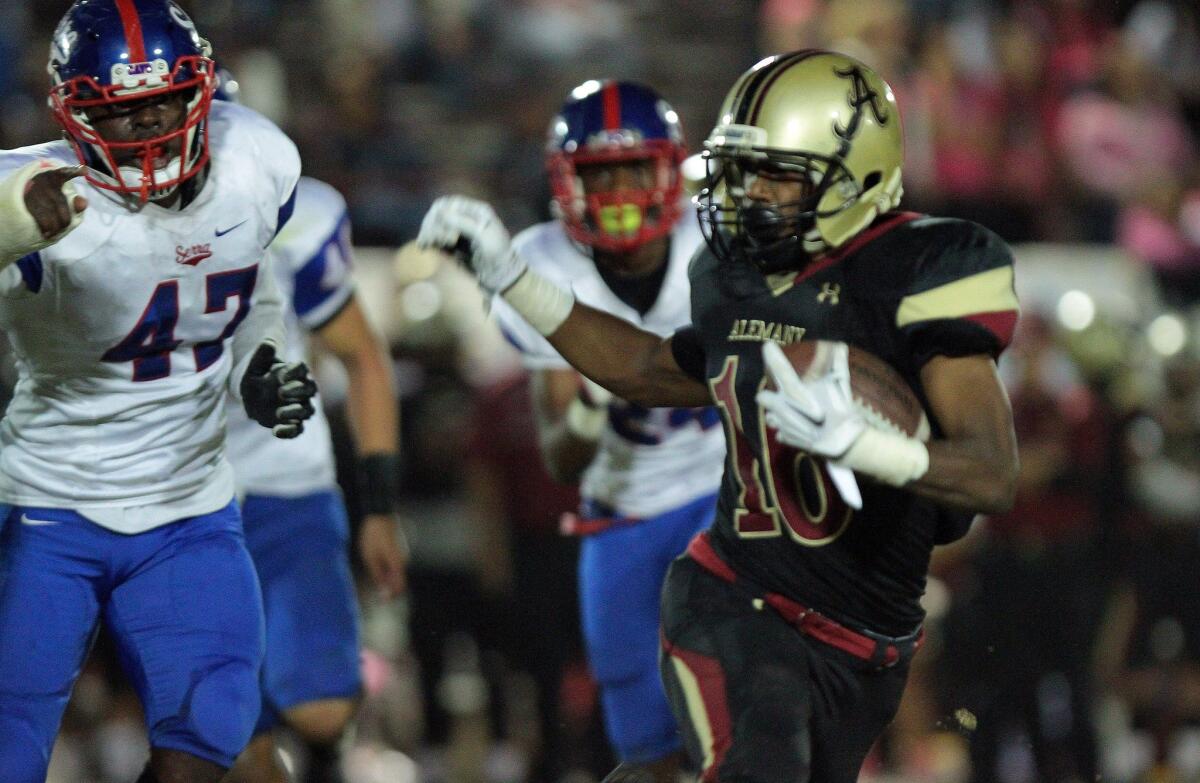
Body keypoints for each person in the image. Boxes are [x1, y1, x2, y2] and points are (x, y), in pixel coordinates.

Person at [418, 49, 1021, 783]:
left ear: (857, 174)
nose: (751, 194)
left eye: (778, 174)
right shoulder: (736, 276)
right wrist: (512, 279)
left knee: (667, 769)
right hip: (739, 598)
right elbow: (645, 368)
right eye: (744, 172)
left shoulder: (923, 271)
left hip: (866, 638)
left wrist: (874, 447)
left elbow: (991, 473)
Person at [0, 2, 316, 782]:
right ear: (75, 119)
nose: (148, 130)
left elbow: (249, 278)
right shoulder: (35, 191)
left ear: (200, 93)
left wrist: (259, 359)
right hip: (46, 508)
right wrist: (11, 225)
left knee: (212, 729)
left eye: (163, 104)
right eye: (122, 113)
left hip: (189, 509)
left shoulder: (257, 161)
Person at [488, 79, 726, 783]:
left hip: (722, 499)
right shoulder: (546, 264)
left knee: (738, 715)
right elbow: (562, 458)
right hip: (618, 516)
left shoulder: (715, 241)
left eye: (634, 168)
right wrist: (592, 410)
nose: (620, 191)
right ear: (569, 183)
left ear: (668, 169)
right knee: (646, 748)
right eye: (601, 173)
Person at [209, 73, 408, 783]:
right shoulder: (114, 226)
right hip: (175, 492)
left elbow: (364, 356)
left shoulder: (295, 220)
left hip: (284, 479)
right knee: (232, 746)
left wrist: (379, 504)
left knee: (322, 705)